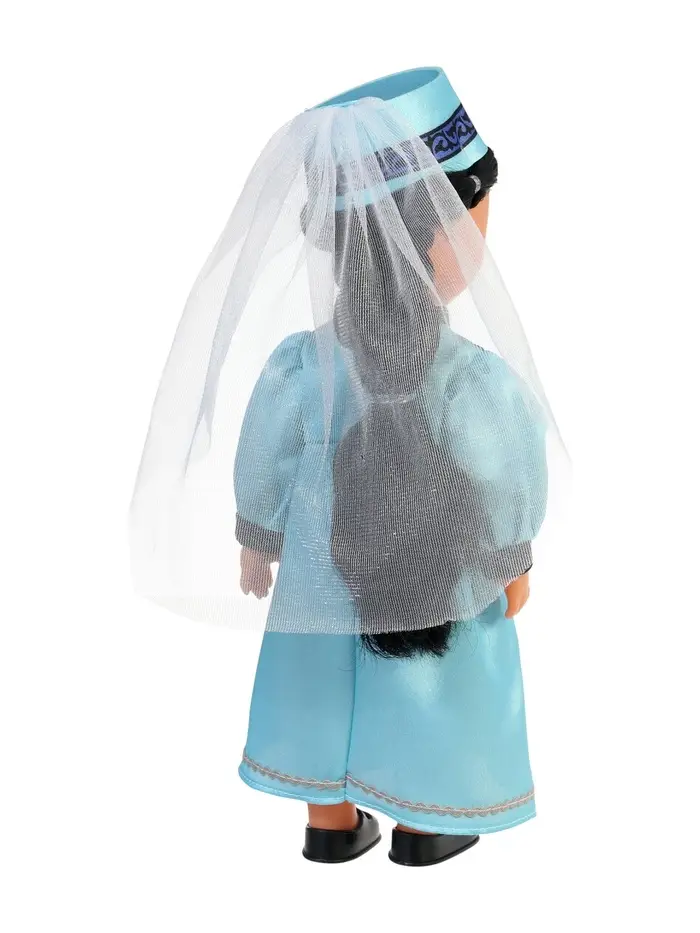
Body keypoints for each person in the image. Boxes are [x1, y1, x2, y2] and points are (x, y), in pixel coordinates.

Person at [130, 67, 558, 866]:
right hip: (443, 571)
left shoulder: (303, 365)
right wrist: (511, 559)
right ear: (435, 236)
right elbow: (508, 473)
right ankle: (426, 818)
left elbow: (266, 449)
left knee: (320, 678)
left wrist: (258, 534)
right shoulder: (474, 383)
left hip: (320, 576)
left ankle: (329, 820)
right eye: (472, 215)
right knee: (439, 682)